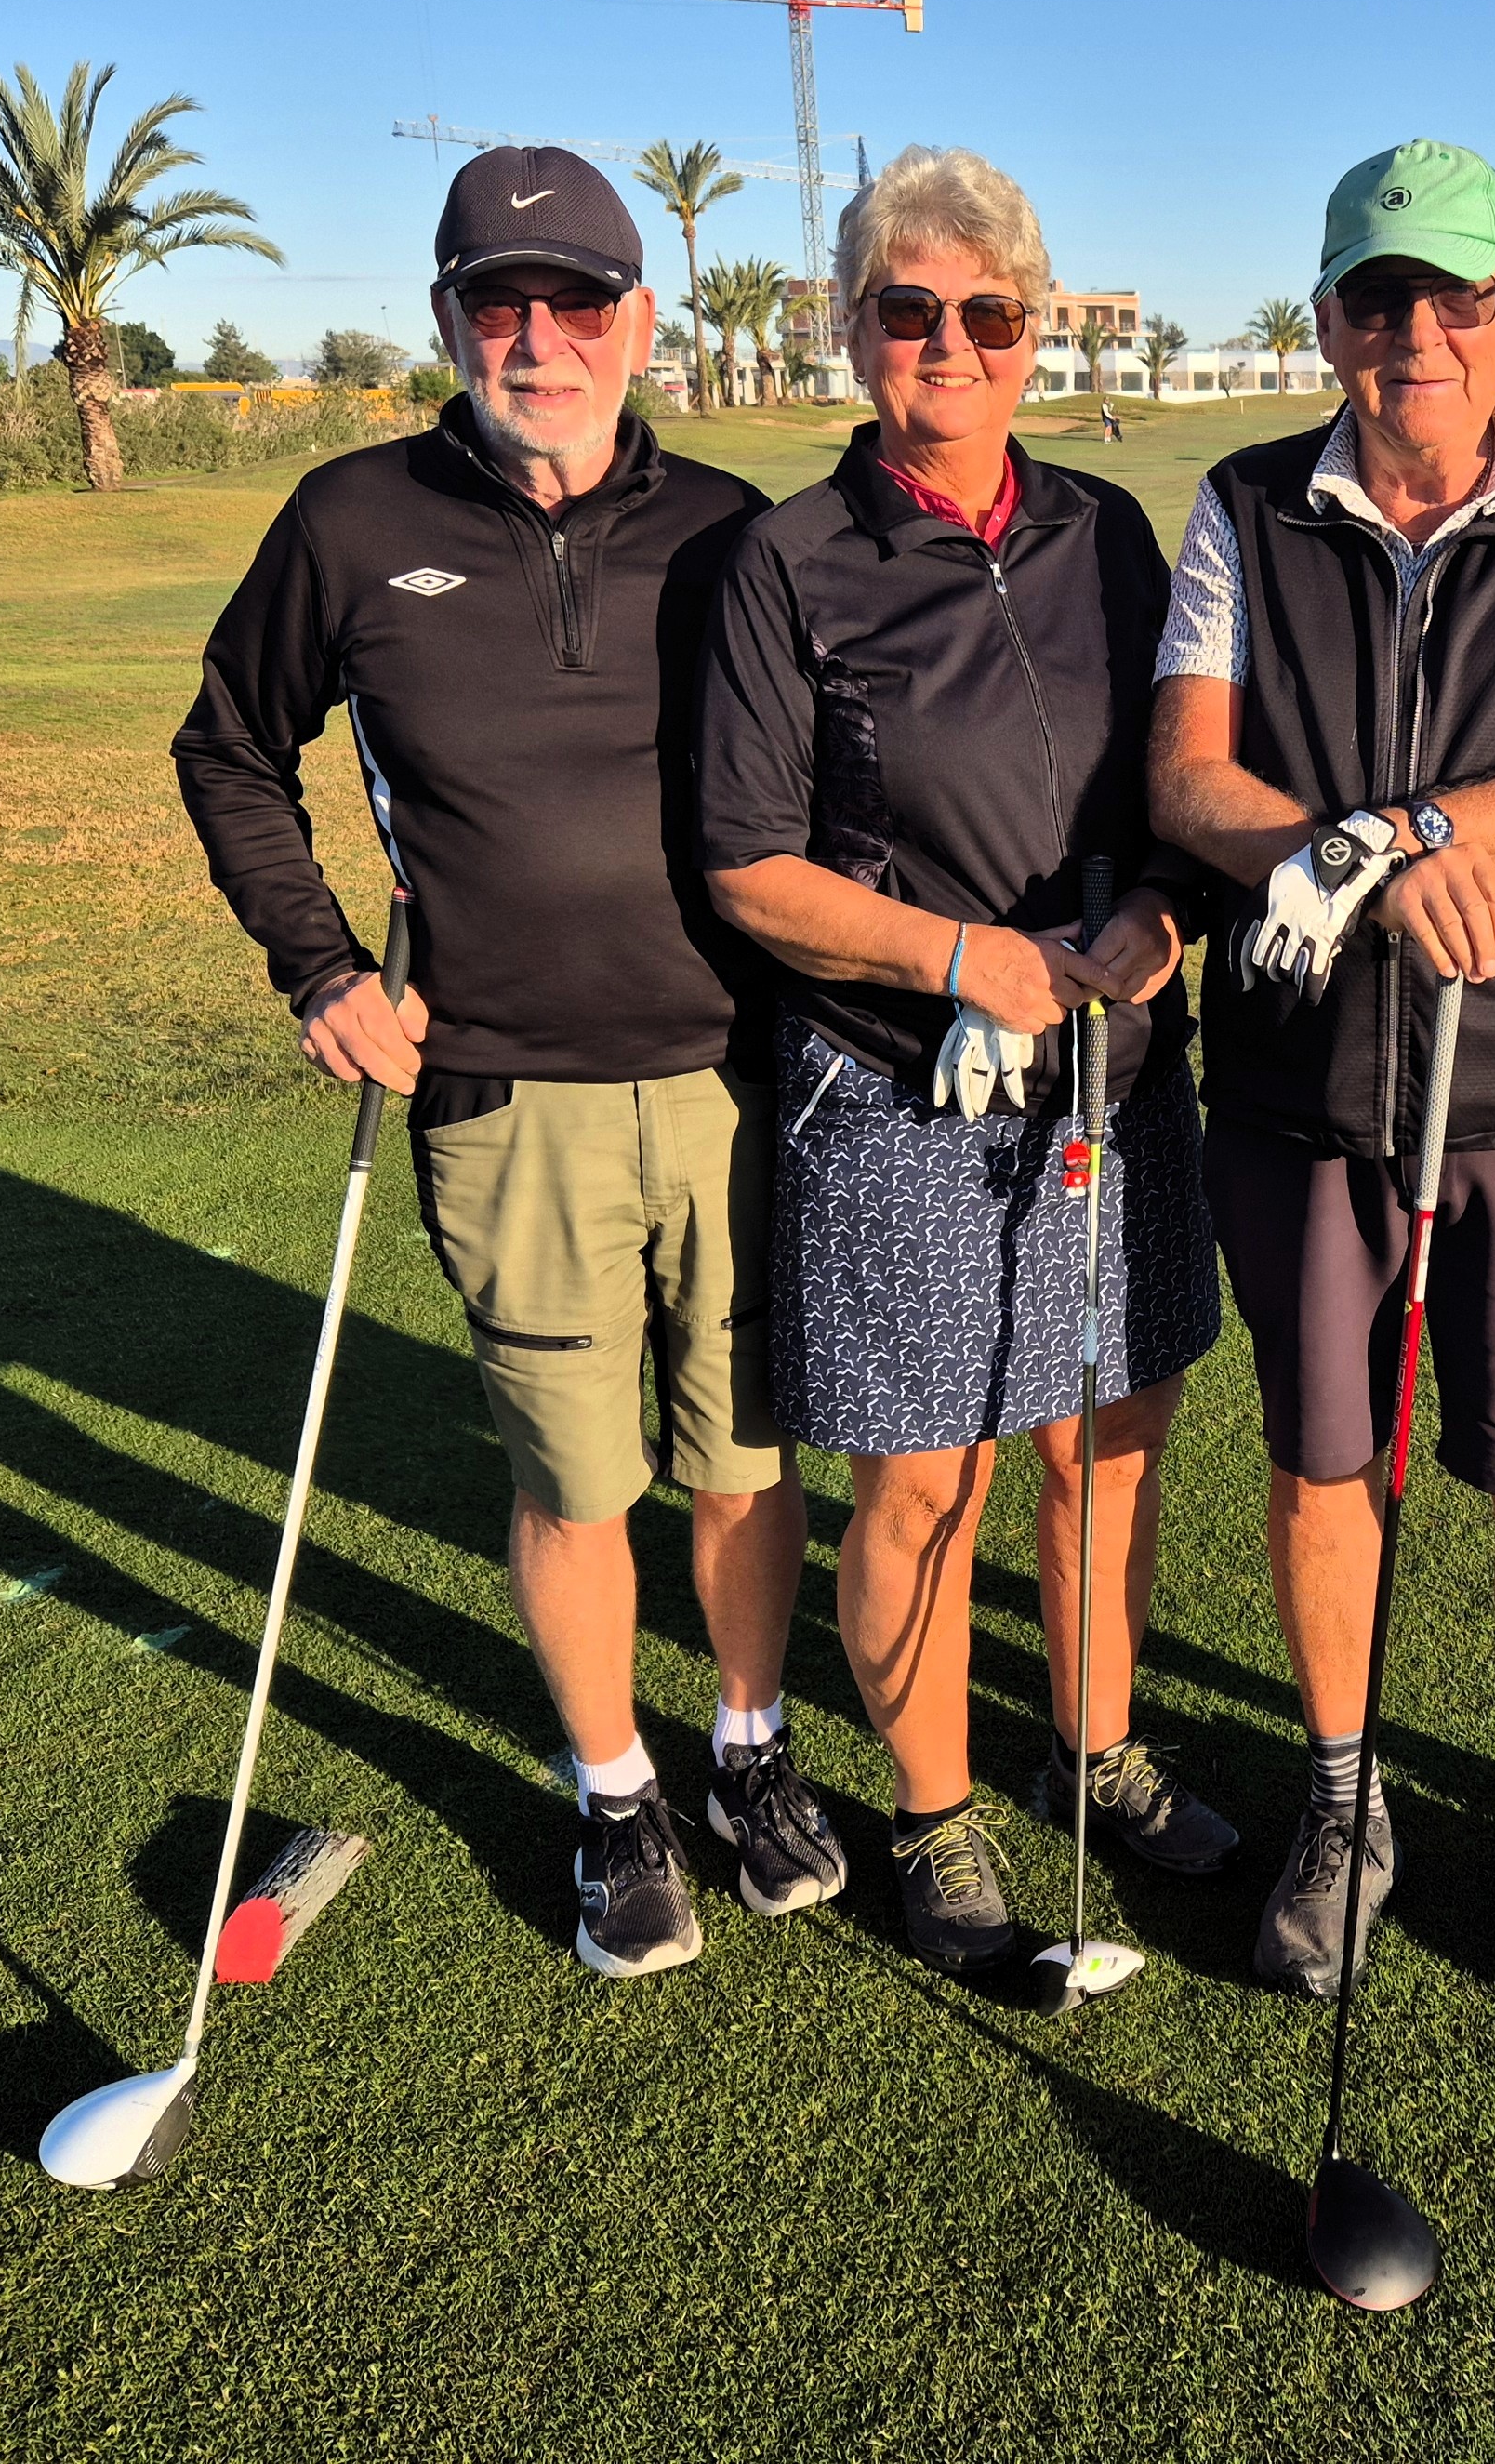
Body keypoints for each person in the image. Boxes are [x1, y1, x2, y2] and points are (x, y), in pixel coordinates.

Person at [174, 147, 844, 1985]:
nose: (537, 339)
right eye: (498, 302)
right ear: (448, 317)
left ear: (641, 319)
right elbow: (229, 745)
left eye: (576, 303)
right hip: (497, 1089)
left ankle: (749, 1745)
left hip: (733, 1077)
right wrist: (319, 964)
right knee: (574, 1479)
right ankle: (617, 1794)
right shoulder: (349, 517)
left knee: (746, 1458)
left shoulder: (735, 529)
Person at [1147, 139, 1495, 2006]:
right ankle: (1340, 1793)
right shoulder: (1241, 505)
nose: (1418, 332)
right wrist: (1350, 857)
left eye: (1458, 295)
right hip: (1298, 1095)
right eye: (1380, 297)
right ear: (1327, 320)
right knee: (1323, 1468)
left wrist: (1414, 829)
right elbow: (1188, 775)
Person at [697, 146, 1235, 1973]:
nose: (949, 342)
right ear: (856, 332)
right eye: (908, 308)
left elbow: (1178, 786)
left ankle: (1100, 1750)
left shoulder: (1106, 532)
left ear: (1031, 332)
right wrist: (957, 957)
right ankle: (933, 1810)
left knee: (1107, 1440)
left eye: (986, 312)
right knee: (928, 1478)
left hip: (1110, 1069)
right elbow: (746, 864)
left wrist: (1156, 914)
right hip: (894, 1080)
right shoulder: (790, 561)